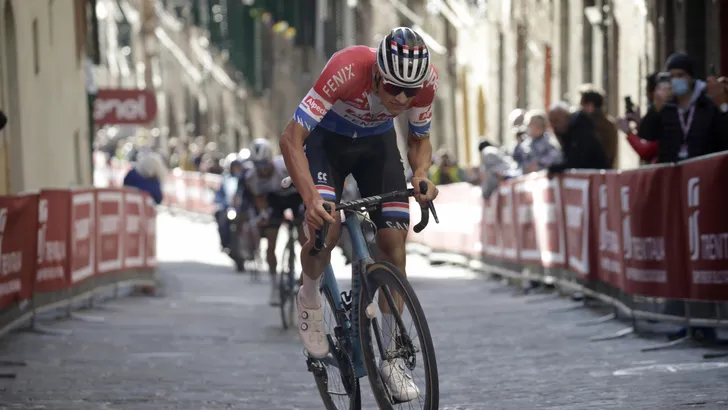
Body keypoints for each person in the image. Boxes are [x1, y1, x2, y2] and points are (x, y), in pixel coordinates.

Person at [279, 27, 438, 402]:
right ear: (377, 75)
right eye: (392, 89)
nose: (401, 98)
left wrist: (420, 176)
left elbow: (418, 139)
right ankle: (310, 294)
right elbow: (291, 138)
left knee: (394, 242)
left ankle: (394, 359)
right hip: (325, 143)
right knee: (327, 229)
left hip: (376, 146)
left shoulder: (425, 82)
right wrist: (310, 198)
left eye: (409, 92)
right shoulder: (347, 68)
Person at [243, 138, 305, 306]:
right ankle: (275, 285)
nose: (261, 169)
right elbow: (259, 198)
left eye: (264, 164)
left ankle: (305, 277)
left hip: (296, 197)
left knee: (304, 238)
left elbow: (304, 183)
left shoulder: (284, 166)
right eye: (257, 165)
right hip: (274, 201)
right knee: (271, 242)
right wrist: (263, 214)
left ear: (270, 160)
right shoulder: (252, 177)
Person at [638, 52, 727, 162]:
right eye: (672, 76)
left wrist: (723, 105)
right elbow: (646, 134)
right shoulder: (665, 107)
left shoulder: (707, 105)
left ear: (690, 77)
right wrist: (655, 108)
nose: (676, 80)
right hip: (673, 173)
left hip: (703, 172)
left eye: (680, 75)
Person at [547, 102, 610, 173]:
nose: (554, 125)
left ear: (566, 117)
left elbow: (577, 160)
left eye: (556, 120)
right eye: (551, 121)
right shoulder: (565, 133)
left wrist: (557, 168)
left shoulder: (582, 131)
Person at [579, 85, 619, 167]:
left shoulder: (602, 126)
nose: (581, 108)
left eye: (582, 104)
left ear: (590, 106)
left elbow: (608, 155)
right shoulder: (608, 124)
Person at [214, 154, 244, 250]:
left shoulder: (243, 179)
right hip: (228, 208)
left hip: (242, 208)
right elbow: (220, 194)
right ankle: (224, 242)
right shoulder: (225, 179)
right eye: (234, 167)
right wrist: (221, 204)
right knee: (220, 217)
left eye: (237, 167)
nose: (236, 169)